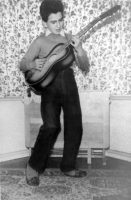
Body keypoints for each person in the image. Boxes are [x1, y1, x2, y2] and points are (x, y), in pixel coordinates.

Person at [19, 0, 90, 186]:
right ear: (45, 23)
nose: (59, 25)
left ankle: (68, 166)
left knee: (75, 125)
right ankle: (33, 167)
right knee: (51, 126)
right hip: (50, 88)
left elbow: (85, 66)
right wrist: (33, 64)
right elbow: (23, 63)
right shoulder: (40, 41)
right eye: (53, 21)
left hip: (69, 84)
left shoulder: (68, 38)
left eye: (61, 20)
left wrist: (79, 48)